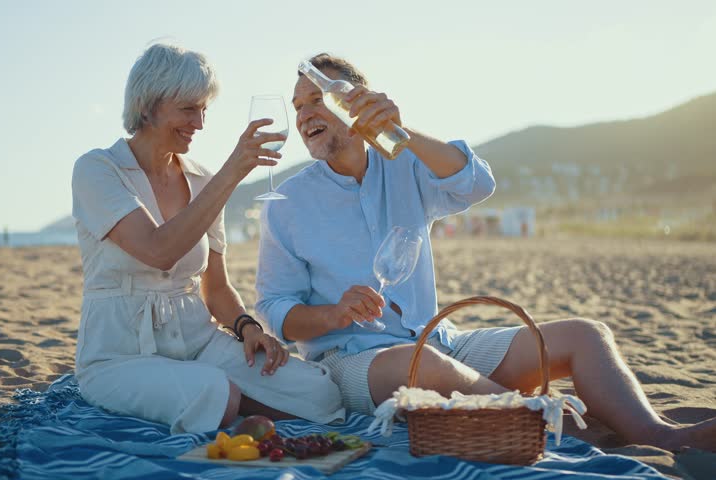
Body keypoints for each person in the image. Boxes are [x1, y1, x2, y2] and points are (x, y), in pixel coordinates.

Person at [255, 53, 716, 451]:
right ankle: (539, 426)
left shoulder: (404, 162)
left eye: (316, 98)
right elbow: (276, 309)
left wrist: (399, 129)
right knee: (426, 365)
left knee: (585, 334)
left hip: (437, 340)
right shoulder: (287, 205)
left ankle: (658, 435)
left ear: (352, 99)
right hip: (351, 362)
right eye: (297, 105)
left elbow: (476, 183)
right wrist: (334, 314)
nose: (302, 114)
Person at [70, 43, 344, 434]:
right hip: (120, 355)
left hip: (198, 342)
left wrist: (249, 329)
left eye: (203, 110)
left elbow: (216, 290)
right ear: (148, 105)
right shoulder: (98, 169)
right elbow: (158, 250)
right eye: (187, 108)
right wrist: (233, 171)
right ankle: (234, 405)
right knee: (214, 393)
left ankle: (238, 406)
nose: (199, 123)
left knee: (321, 393)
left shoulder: (203, 179)